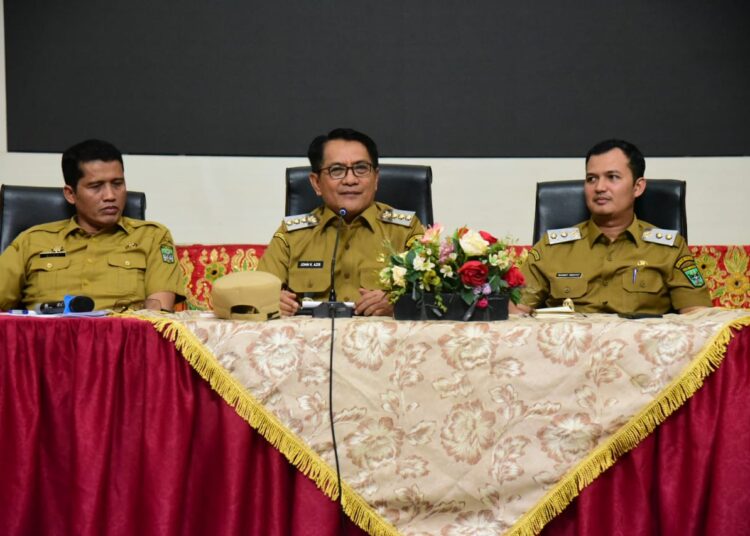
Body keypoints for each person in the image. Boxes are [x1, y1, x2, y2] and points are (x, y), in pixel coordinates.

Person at [520, 139, 711, 315]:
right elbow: (517, 313)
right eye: (591, 179)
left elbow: (697, 317)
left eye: (612, 177)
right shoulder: (551, 249)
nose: (599, 187)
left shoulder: (670, 249)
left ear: (638, 187)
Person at [0, 139, 185, 311]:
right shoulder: (32, 240)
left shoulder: (152, 238)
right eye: (96, 187)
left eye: (117, 184)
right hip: (45, 342)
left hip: (121, 342)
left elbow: (159, 318)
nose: (110, 195)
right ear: (70, 194)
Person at [258, 128, 424, 316]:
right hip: (310, 342)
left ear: (376, 178)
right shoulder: (292, 235)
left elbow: (436, 296)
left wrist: (398, 304)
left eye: (361, 168)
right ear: (316, 183)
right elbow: (255, 294)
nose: (351, 180)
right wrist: (269, 302)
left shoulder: (406, 231)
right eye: (336, 170)